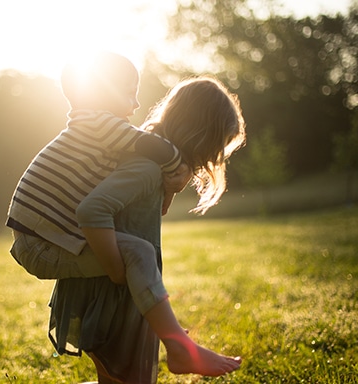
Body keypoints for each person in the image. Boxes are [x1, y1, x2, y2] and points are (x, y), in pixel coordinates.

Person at [49, 75, 247, 383]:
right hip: (112, 291)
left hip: (125, 288)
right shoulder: (147, 167)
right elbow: (92, 210)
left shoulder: (154, 164)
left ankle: (178, 346)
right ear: (200, 135)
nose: (214, 157)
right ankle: (181, 349)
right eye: (216, 146)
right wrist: (117, 271)